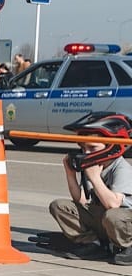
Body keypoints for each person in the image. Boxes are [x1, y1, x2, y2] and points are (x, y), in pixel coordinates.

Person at [33, 113, 132, 266]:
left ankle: (126, 246)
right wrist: (70, 174)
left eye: (92, 148)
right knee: (59, 206)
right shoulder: (94, 166)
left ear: (112, 145)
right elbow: (81, 201)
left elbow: (113, 204)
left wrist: (95, 178)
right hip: (105, 220)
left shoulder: (121, 169)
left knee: (113, 215)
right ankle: (92, 243)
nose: (86, 153)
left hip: (123, 220)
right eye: (83, 148)